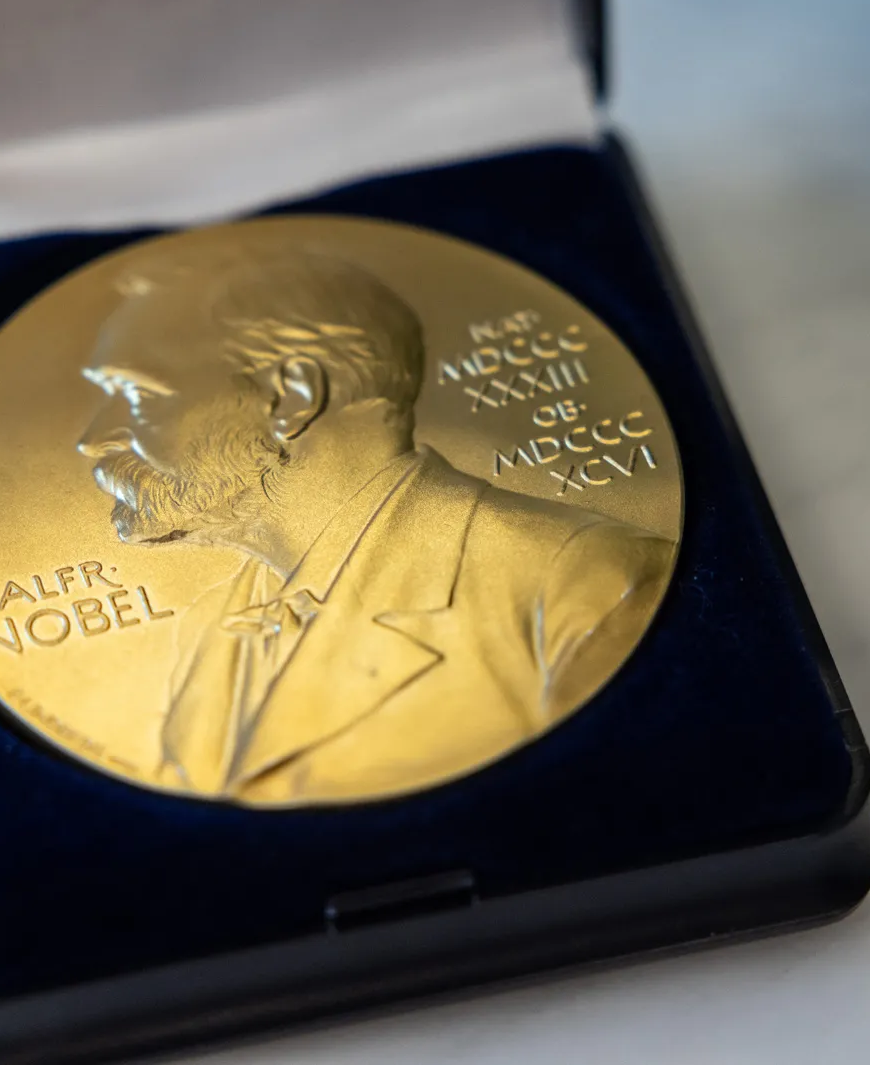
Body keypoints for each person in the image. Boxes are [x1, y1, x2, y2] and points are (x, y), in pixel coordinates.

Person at [78, 244, 673, 804]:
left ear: (290, 396)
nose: (91, 440)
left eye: (135, 395)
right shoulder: (213, 623)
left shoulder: (586, 581)